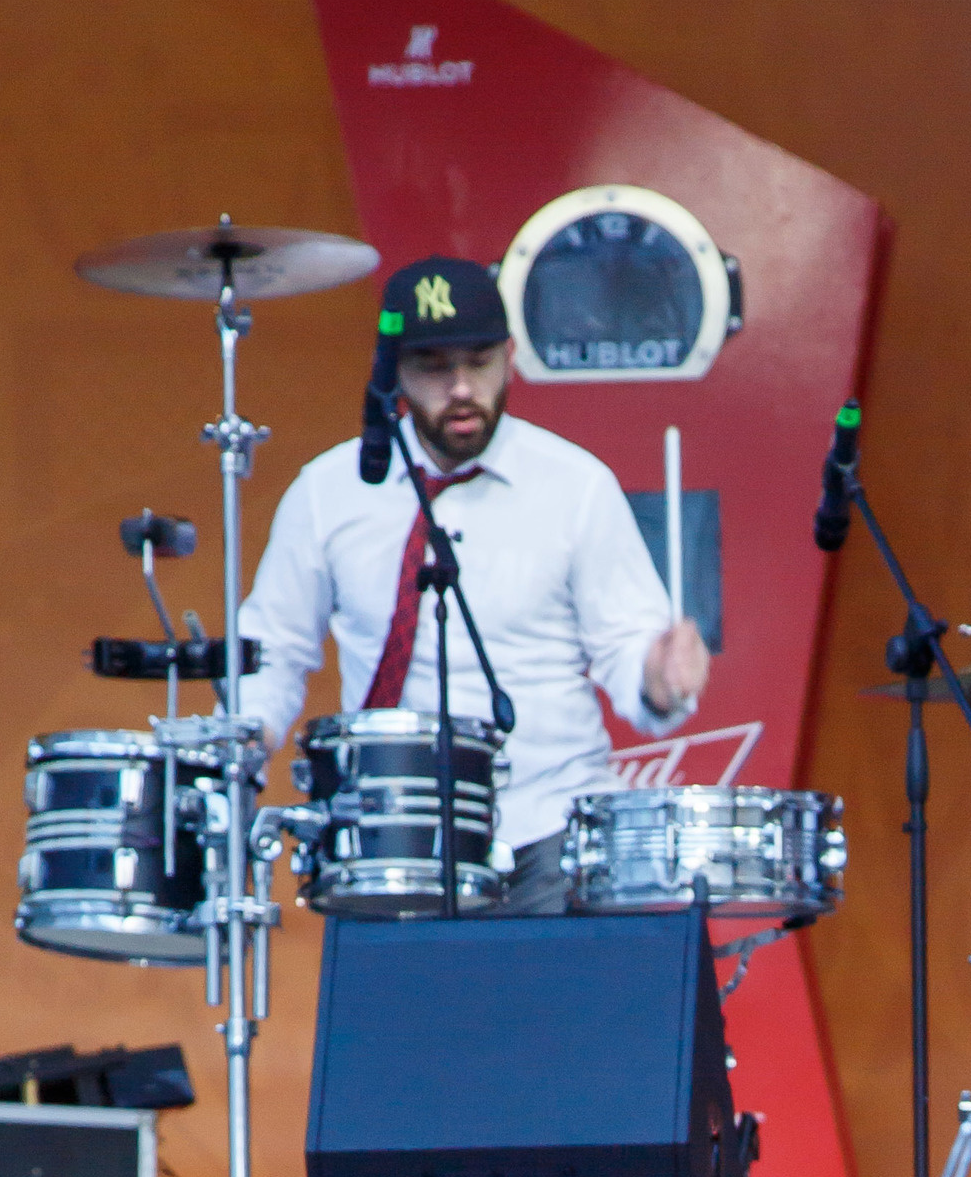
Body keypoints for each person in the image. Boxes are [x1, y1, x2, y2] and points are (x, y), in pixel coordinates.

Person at [241, 251, 712, 910]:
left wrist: (658, 680)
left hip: (548, 831)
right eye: (435, 368)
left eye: (479, 362)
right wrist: (249, 732)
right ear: (392, 374)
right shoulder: (329, 492)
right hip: (388, 840)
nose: (461, 388)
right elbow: (272, 647)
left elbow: (628, 648)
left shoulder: (575, 485)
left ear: (510, 356)